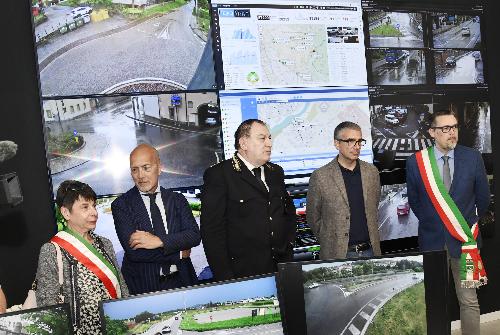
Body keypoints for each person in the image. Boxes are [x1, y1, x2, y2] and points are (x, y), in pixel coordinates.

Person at [406, 110, 490, 335]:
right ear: (432, 132)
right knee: (435, 302)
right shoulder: (416, 163)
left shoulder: (472, 157)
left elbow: (482, 199)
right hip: (432, 242)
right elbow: (414, 201)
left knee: (469, 301)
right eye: (445, 129)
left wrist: (464, 225)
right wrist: (435, 222)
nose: (452, 133)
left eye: (454, 127)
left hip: (465, 242)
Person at [201, 119, 296, 281]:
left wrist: (288, 247)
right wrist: (226, 278)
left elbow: (288, 214)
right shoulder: (220, 175)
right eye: (262, 138)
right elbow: (212, 233)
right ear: (244, 143)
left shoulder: (275, 172)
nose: (269, 143)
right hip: (243, 274)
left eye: (270, 138)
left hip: (281, 267)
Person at [36, 180, 128, 334]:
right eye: (85, 207)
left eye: (94, 206)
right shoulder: (52, 250)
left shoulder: (105, 244)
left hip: (114, 328)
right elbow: (47, 307)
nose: (94, 212)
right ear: (66, 213)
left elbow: (122, 286)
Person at [112, 144, 201, 295]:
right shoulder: (121, 205)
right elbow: (135, 253)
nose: (140, 175)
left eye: (146, 167)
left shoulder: (177, 200)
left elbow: (193, 236)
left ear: (159, 168)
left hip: (183, 282)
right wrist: (179, 253)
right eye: (135, 169)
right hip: (144, 287)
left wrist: (159, 241)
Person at [307, 121, 381, 259]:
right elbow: (313, 217)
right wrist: (330, 240)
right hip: (337, 254)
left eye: (359, 141)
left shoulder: (372, 172)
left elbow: (374, 207)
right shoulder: (320, 177)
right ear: (337, 144)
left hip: (370, 251)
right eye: (350, 141)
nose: (357, 146)